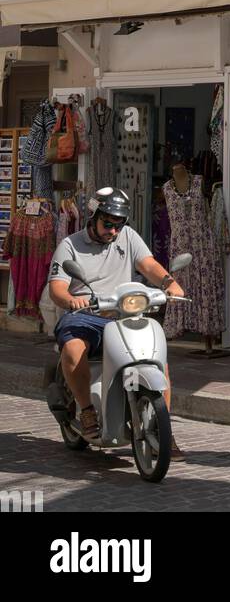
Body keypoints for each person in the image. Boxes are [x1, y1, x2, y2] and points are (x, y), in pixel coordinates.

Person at [47, 187, 185, 448]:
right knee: (74, 350)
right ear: (93, 217)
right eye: (108, 224)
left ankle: (160, 426)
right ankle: (87, 410)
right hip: (84, 315)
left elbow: (148, 265)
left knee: (157, 357)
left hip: (123, 314)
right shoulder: (69, 245)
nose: (114, 231)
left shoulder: (128, 237)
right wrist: (71, 300)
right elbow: (57, 288)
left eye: (119, 225)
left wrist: (169, 283)